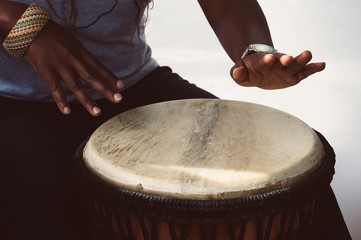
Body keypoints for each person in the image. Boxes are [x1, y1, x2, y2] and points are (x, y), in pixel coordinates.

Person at [0, 0, 349, 239]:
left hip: (127, 85)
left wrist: (254, 51)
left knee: (287, 176)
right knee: (48, 200)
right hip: (13, 99)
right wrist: (22, 24)